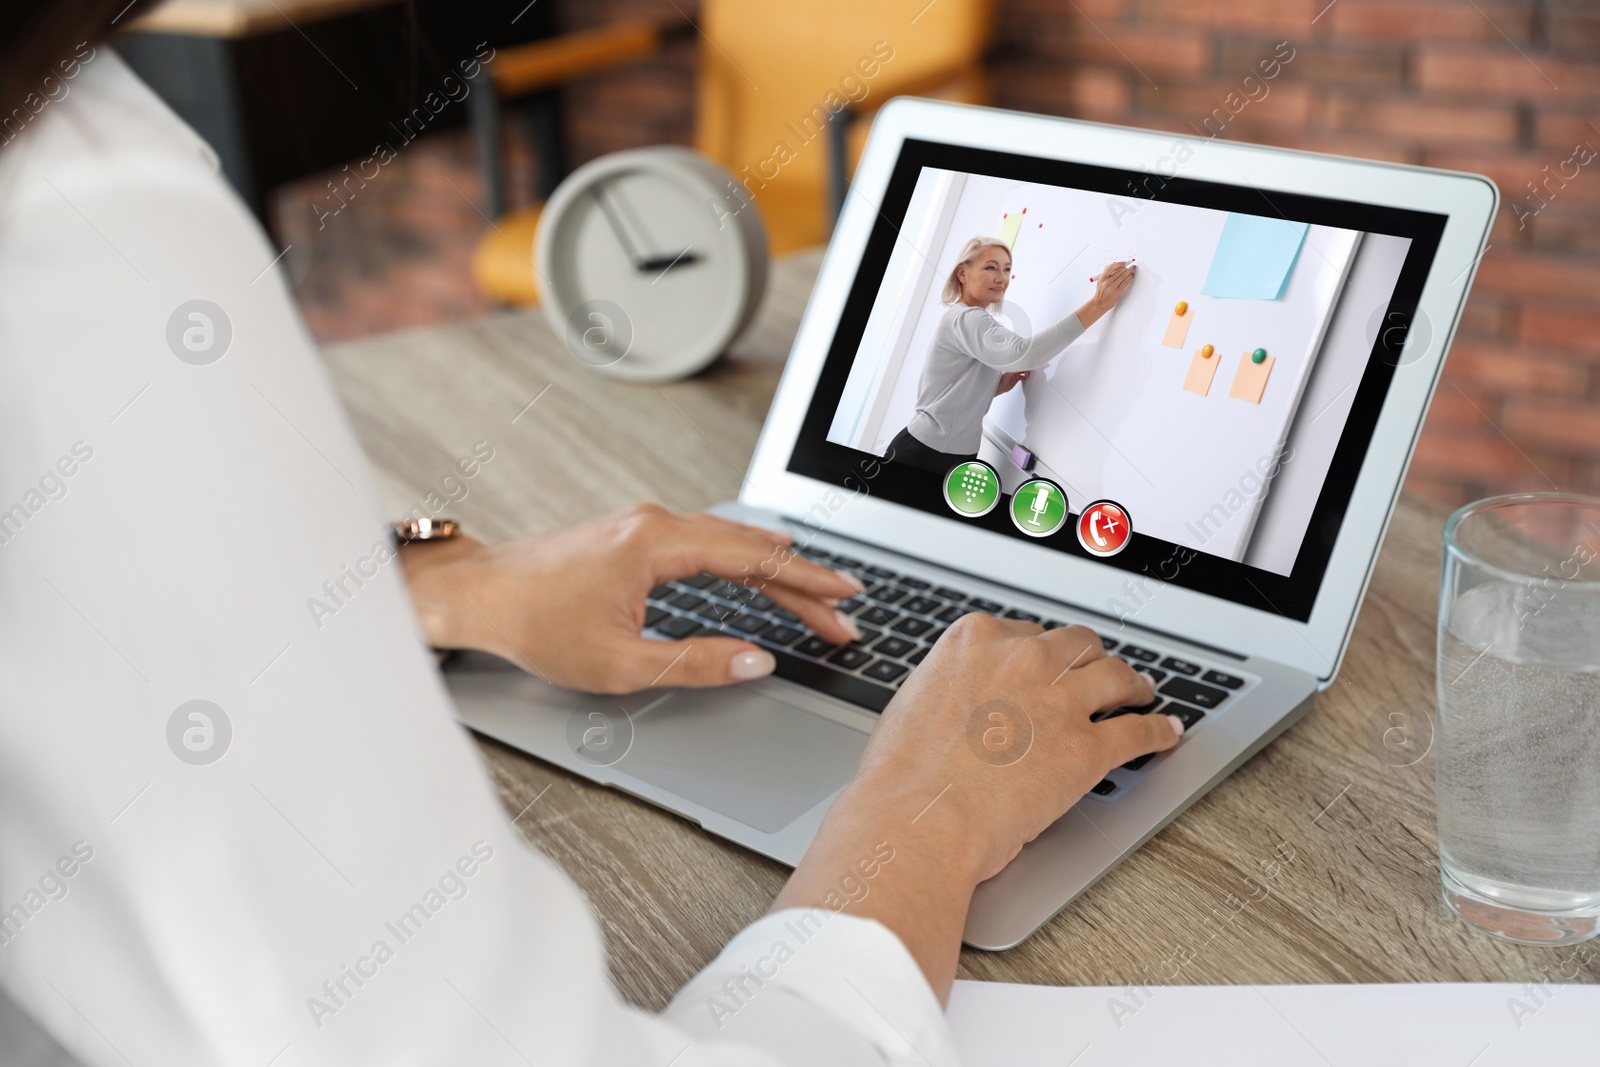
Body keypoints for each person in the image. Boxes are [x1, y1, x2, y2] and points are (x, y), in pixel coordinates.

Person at [0, 6, 1182, 1065]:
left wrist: (434, 579)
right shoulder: (80, 219)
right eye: (984, 260)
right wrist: (925, 814)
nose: (990, 272)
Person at [887, 237, 1135, 473]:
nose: (1001, 278)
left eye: (1006, 269)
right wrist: (1098, 304)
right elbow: (1025, 353)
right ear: (962, 274)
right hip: (925, 455)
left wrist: (993, 386)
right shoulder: (967, 318)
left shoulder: (967, 317)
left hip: (948, 454)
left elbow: (949, 388)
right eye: (991, 268)